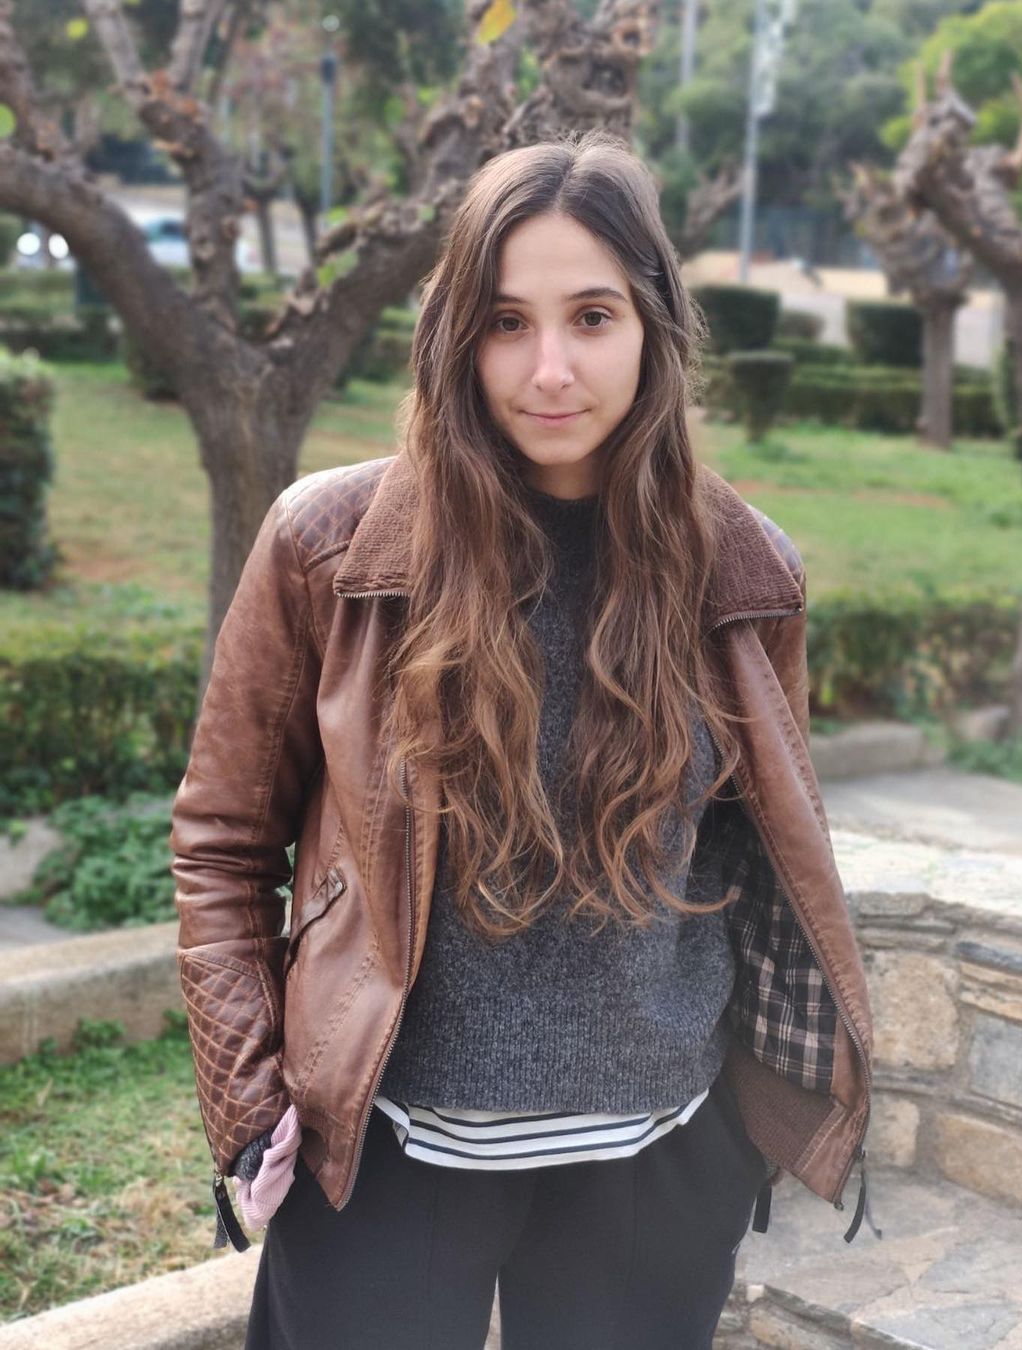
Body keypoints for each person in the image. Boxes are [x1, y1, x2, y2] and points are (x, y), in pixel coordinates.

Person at [170, 127, 878, 1350]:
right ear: (458, 335)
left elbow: (758, 850)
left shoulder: (746, 571)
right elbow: (223, 841)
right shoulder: (330, 549)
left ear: (654, 327)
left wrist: (739, 1139)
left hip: (656, 1165)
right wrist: (247, 1098)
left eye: (592, 317)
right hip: (385, 1158)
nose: (550, 369)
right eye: (507, 322)